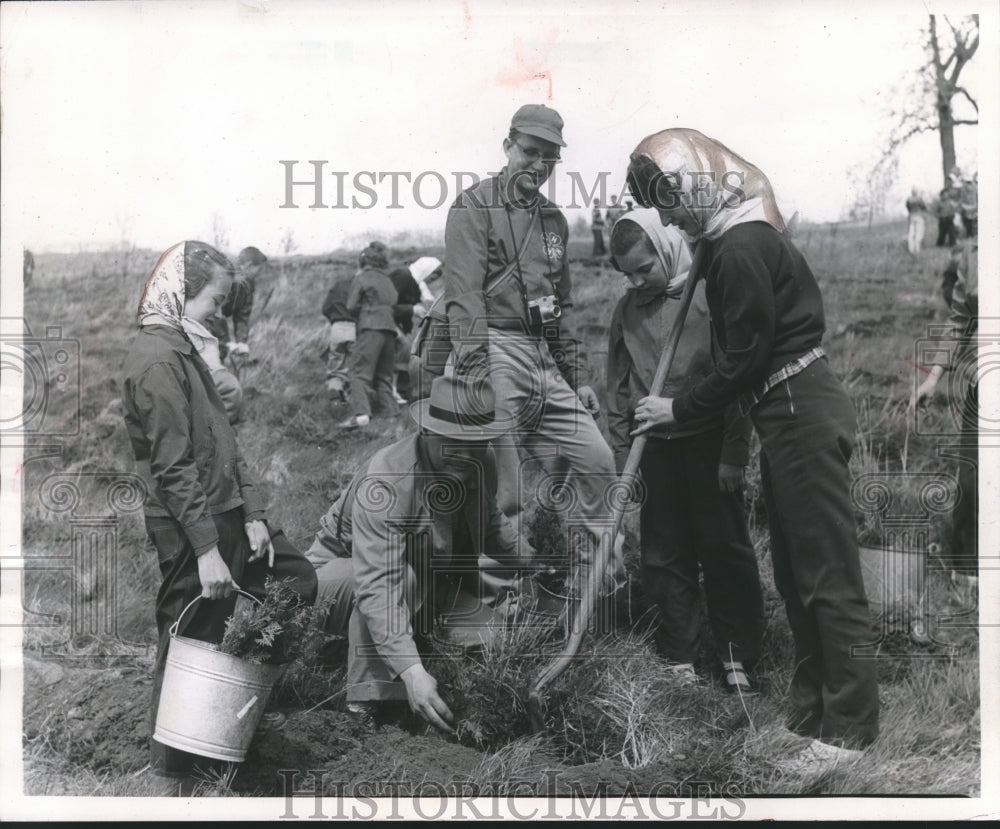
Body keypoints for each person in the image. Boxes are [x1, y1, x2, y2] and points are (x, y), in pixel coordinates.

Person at [625, 128, 879, 772]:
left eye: (673, 201)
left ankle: (848, 731)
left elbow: (741, 359)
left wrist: (676, 408)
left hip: (797, 405)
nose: (670, 217)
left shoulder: (740, 248)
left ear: (701, 182)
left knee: (825, 570)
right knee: (796, 571)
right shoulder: (730, 240)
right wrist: (699, 243)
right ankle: (811, 709)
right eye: (660, 208)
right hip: (786, 408)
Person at [121, 241, 317, 794]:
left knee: (295, 578)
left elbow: (226, 442)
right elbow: (172, 466)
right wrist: (207, 550)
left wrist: (253, 512)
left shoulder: (187, 349)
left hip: (226, 507)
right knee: (189, 632)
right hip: (188, 522)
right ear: (181, 295)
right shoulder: (156, 360)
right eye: (214, 299)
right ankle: (172, 776)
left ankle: (226, 709)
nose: (221, 312)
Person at [442, 103, 618, 581]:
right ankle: (500, 600)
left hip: (542, 356)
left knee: (598, 460)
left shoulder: (553, 221)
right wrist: (477, 371)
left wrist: (576, 378)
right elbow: (465, 296)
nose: (538, 166)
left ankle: (595, 578)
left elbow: (559, 308)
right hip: (491, 349)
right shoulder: (473, 207)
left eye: (549, 159)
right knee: (507, 488)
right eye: (530, 152)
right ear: (508, 147)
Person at [304, 372, 528, 730]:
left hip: (420, 580)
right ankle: (366, 712)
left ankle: (412, 647)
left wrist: (538, 561)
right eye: (454, 442)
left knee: (496, 639)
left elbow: (490, 524)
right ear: (427, 432)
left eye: (475, 443)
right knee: (399, 584)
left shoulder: (476, 461)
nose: (465, 454)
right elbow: (377, 587)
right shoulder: (389, 481)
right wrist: (412, 674)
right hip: (335, 580)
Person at [606, 208, 764, 691]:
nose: (636, 281)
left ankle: (738, 652)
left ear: (667, 249)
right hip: (653, 450)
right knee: (663, 551)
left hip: (707, 441)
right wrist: (620, 461)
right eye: (626, 274)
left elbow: (734, 377)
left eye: (644, 269)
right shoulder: (626, 312)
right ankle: (680, 653)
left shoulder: (703, 297)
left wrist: (733, 452)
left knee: (723, 546)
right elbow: (615, 387)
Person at [913, 238, 978, 589]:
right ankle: (969, 571)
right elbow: (960, 321)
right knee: (972, 477)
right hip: (983, 380)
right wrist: (933, 377)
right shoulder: (974, 252)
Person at [341, 242, 399, 429]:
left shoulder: (363, 278)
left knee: (358, 373)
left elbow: (350, 306)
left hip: (370, 328)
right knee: (384, 375)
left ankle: (362, 415)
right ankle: (392, 416)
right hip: (390, 331)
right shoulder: (387, 280)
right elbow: (394, 302)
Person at [181, 292, 244, 424]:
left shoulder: (216, 319)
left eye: (221, 306)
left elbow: (220, 344)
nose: (219, 313)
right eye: (215, 304)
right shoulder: (184, 322)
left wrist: (227, 347)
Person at [206, 246, 268, 364]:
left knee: (220, 356)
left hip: (216, 320)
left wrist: (241, 342)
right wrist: (226, 341)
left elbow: (243, 315)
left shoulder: (249, 285)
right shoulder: (225, 279)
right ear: (249, 266)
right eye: (259, 270)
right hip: (203, 320)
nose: (260, 274)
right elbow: (214, 312)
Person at [388, 261, 426, 404]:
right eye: (434, 273)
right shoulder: (403, 277)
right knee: (403, 347)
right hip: (384, 320)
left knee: (405, 349)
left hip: (395, 322)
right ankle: (394, 391)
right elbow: (389, 305)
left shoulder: (415, 286)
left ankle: (400, 391)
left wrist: (408, 326)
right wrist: (412, 309)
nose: (433, 278)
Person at [322, 268, 358, 404]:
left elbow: (325, 308)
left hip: (337, 328)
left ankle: (335, 394)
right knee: (355, 367)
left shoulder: (339, 285)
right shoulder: (362, 287)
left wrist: (335, 319)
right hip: (355, 328)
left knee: (336, 367)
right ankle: (353, 400)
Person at [904, 187, 927, 255]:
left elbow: (907, 207)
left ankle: (911, 249)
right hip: (919, 216)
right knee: (919, 233)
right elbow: (924, 207)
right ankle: (917, 249)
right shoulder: (919, 199)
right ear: (916, 192)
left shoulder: (908, 199)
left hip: (912, 216)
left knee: (911, 234)